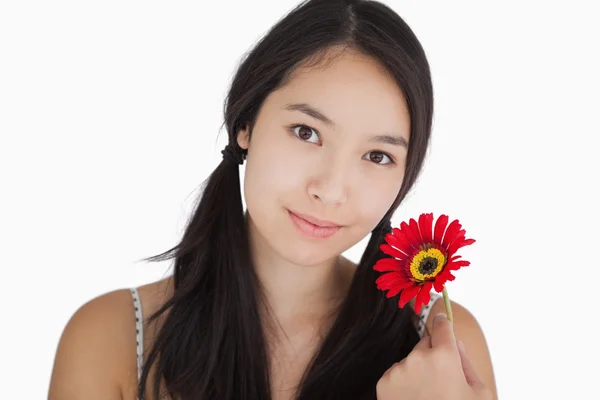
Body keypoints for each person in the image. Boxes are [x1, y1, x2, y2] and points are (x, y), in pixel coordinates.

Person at [48, 0, 497, 399]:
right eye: (307, 132)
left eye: (377, 155)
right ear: (246, 124)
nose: (330, 189)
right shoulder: (112, 340)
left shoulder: (442, 348)